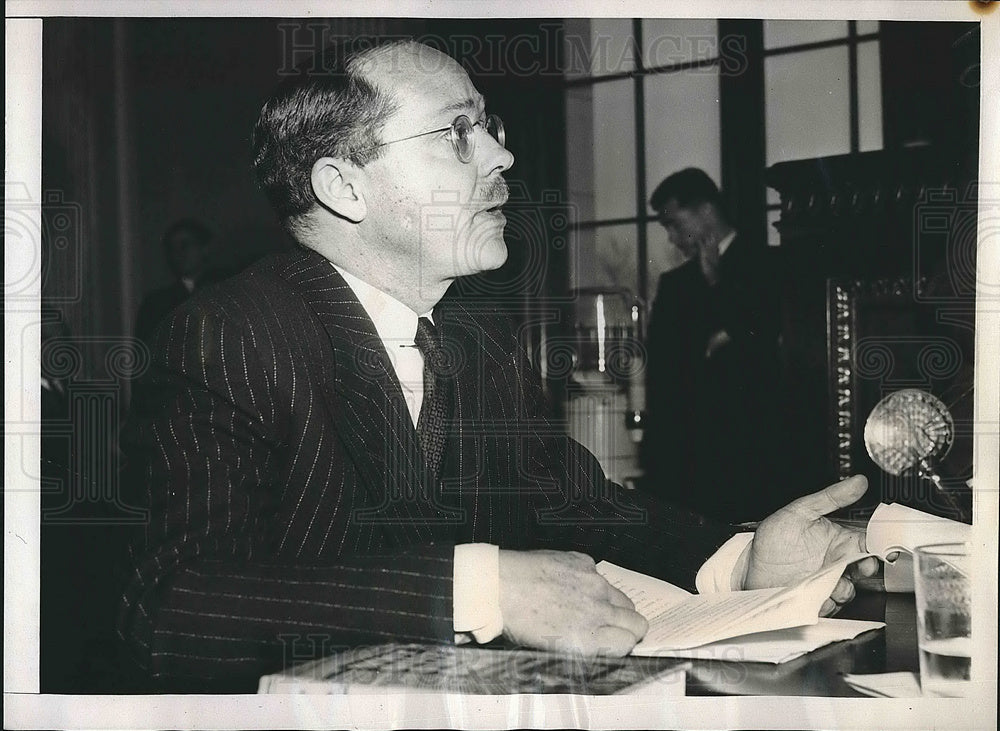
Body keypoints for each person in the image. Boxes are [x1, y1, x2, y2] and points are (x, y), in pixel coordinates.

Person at [118, 39, 878, 691]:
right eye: (456, 133)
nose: (503, 154)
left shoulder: (476, 335)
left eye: (489, 125)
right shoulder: (230, 335)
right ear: (344, 187)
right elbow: (174, 609)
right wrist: (479, 589)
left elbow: (572, 499)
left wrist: (739, 561)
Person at [641, 168, 785, 522]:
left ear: (705, 210)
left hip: (757, 456)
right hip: (688, 462)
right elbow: (661, 375)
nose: (672, 239)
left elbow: (766, 347)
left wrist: (716, 283)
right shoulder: (673, 284)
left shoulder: (772, 266)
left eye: (674, 223)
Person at [133, 218, 225, 344]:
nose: (178, 253)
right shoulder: (156, 304)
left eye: (185, 245)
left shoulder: (224, 292)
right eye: (172, 248)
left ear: (204, 248)